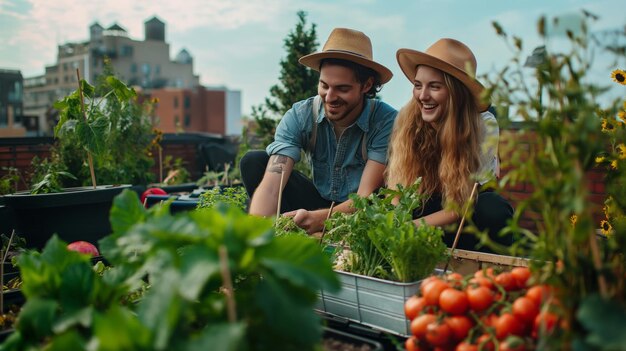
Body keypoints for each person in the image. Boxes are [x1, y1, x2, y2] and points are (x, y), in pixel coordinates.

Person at [240, 28, 397, 234]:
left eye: (342, 88)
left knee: (371, 203)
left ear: (366, 85)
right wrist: (256, 236)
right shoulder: (301, 115)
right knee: (254, 162)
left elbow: (365, 197)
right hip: (315, 202)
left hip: (362, 213)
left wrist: (320, 220)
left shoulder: (385, 121)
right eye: (324, 85)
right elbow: (271, 186)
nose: (330, 97)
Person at [387, 38, 513, 251]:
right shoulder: (408, 120)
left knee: (493, 208)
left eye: (434, 87)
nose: (423, 96)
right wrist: (395, 224)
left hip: (461, 220)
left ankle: (487, 272)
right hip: (424, 210)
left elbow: (462, 205)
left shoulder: (483, 126)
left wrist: (412, 227)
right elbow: (397, 193)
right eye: (418, 85)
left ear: (457, 93)